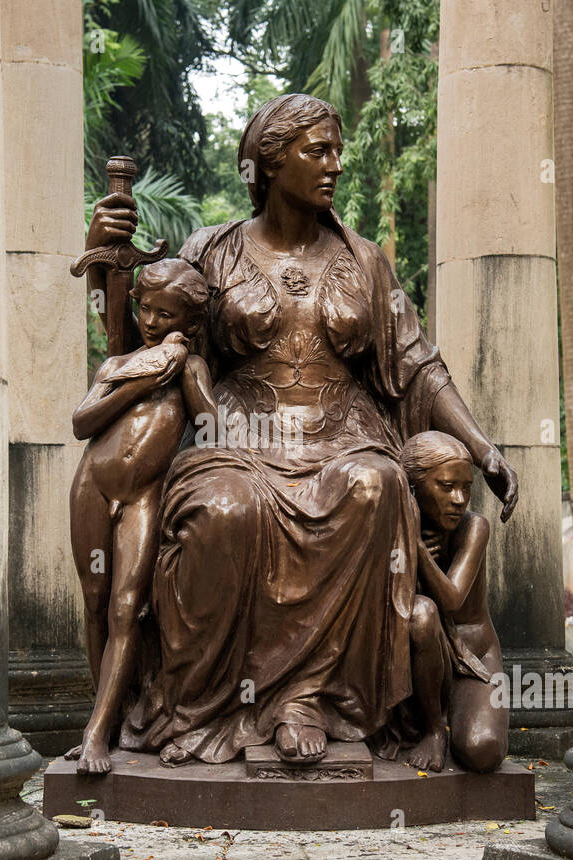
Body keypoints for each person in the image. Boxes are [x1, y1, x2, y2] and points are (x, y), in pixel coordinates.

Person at [84, 93, 519, 767]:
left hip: (344, 434)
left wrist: (483, 447)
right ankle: (199, 706)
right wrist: (108, 262)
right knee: (224, 510)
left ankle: (311, 700)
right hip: (235, 434)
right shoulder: (212, 250)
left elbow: (420, 367)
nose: (335, 165)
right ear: (270, 161)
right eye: (318, 151)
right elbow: (140, 340)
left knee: (376, 489)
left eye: (337, 151)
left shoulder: (365, 260)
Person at [66, 259, 217, 773]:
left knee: (126, 608)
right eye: (146, 310)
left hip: (141, 497)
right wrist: (140, 378)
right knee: (94, 601)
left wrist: (180, 370)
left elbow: (213, 430)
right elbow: (82, 421)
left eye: (165, 315)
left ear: (191, 325)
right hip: (92, 486)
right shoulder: (120, 364)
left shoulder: (191, 370)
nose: (151, 322)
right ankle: (102, 714)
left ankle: (97, 735)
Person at [399, 431, 508, 773]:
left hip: (474, 655)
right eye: (446, 487)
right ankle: (433, 728)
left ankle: (458, 716)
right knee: (420, 614)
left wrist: (417, 549)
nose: (459, 499)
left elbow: (452, 598)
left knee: (482, 750)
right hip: (422, 651)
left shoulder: (474, 527)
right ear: (414, 489)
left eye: (466, 487)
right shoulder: (395, 526)